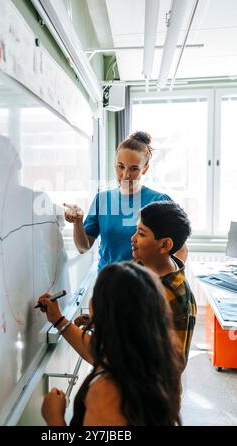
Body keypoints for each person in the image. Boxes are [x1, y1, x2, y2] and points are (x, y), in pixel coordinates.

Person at [38, 262, 183, 426]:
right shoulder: (151, 357)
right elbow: (98, 352)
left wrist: (54, 418)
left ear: (108, 312)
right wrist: (59, 320)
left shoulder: (107, 392)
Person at [64, 131, 186, 271]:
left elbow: (181, 250)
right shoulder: (102, 200)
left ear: (145, 169)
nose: (126, 175)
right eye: (121, 166)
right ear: (115, 165)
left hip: (144, 286)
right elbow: (83, 247)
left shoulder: (159, 201)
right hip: (108, 284)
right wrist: (77, 222)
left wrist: (166, 283)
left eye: (134, 169)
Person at [131, 201, 197, 368]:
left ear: (165, 245)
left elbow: (172, 367)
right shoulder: (146, 267)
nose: (133, 239)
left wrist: (60, 321)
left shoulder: (170, 297)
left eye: (141, 233)